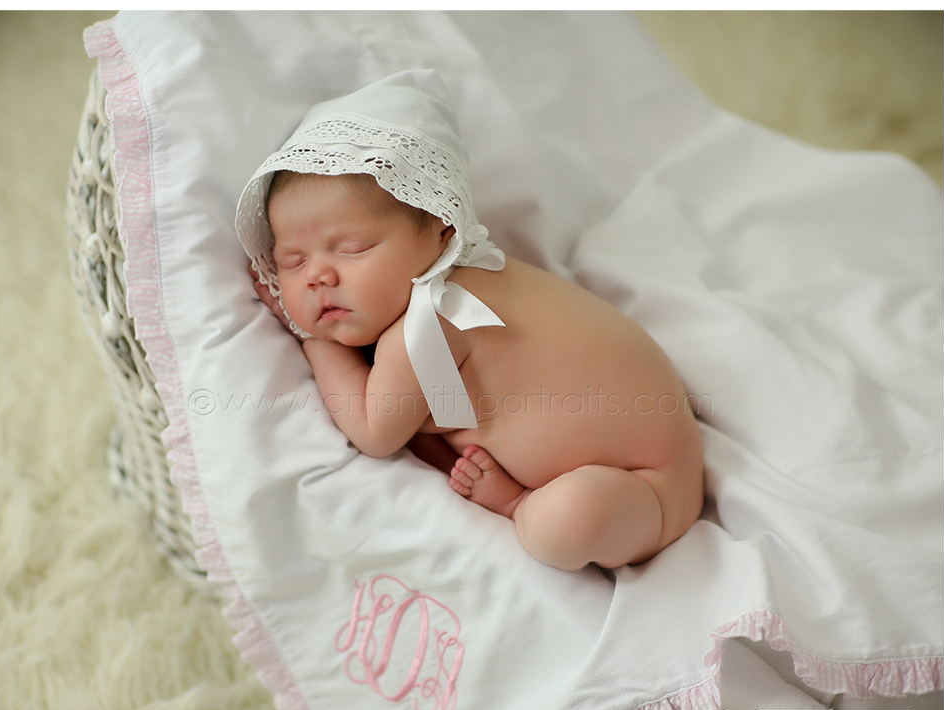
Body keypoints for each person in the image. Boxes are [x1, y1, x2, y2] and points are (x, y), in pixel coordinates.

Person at [236, 70, 704, 572]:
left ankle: (518, 504)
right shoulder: (489, 272)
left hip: (646, 491)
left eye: (352, 248)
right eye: (291, 262)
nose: (318, 277)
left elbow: (373, 431)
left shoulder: (431, 320)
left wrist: (311, 337)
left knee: (563, 522)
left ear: (443, 229)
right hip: (652, 445)